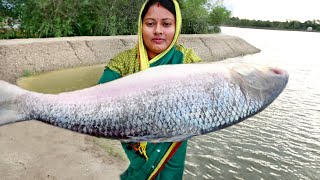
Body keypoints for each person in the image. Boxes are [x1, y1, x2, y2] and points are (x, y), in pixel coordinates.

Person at [98, 0, 202, 179]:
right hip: (136, 149)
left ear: (177, 27)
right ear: (141, 25)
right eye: (150, 24)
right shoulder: (123, 62)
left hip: (172, 154)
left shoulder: (187, 60)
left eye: (167, 24)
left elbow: (207, 91)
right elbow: (99, 100)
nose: (158, 31)